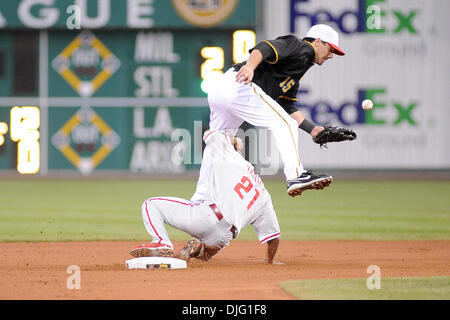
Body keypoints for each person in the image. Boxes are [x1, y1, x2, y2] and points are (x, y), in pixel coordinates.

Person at [192, 24, 347, 199]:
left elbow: (286, 107)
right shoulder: (301, 47)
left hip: (221, 89)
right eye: (330, 48)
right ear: (318, 41)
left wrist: (312, 129)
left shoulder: (296, 72)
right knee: (285, 125)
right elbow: (263, 47)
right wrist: (250, 66)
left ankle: (201, 197)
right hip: (240, 85)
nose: (331, 55)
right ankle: (296, 175)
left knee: (219, 142)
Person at [130, 130, 282, 264]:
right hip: (224, 237)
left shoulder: (233, 161)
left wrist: (234, 140)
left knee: (151, 205)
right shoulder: (264, 195)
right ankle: (199, 248)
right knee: (205, 253)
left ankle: (161, 242)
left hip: (207, 216)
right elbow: (274, 237)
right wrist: (270, 260)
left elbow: (210, 135)